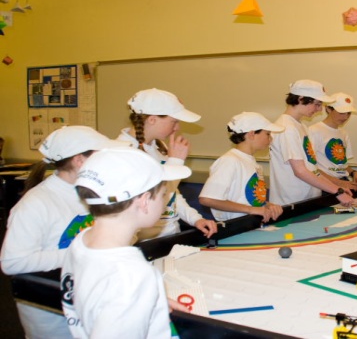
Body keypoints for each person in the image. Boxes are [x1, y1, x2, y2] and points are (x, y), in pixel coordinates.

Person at [0, 125, 129, 339]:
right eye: (101, 156)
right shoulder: (36, 203)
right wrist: (84, 251)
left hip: (85, 298)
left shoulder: (92, 193)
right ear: (80, 160)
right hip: (51, 312)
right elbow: (12, 261)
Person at [60, 147, 191, 338]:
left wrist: (148, 302)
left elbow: (99, 296)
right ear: (144, 201)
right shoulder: (132, 277)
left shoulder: (84, 239)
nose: (164, 202)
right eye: (163, 195)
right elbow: (123, 287)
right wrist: (136, 295)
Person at [119, 88, 217, 241]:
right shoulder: (123, 152)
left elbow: (172, 194)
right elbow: (153, 195)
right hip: (144, 242)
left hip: (170, 235)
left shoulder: (159, 147)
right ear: (152, 119)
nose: (177, 128)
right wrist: (175, 163)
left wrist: (195, 219)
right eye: (174, 121)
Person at [269, 79, 357, 207]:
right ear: (301, 99)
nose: (319, 110)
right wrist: (337, 191)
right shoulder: (287, 128)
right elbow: (300, 171)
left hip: (308, 198)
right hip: (291, 202)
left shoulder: (302, 127)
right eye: (317, 104)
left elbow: (312, 169)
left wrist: (335, 187)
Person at [199, 112, 285, 223]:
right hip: (234, 227)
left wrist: (267, 205)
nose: (271, 139)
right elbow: (207, 199)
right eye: (267, 134)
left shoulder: (251, 162)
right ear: (252, 134)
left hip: (251, 224)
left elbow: (245, 198)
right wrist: (252, 210)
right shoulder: (230, 161)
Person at [308, 92, 357, 192]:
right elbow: (309, 167)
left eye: (349, 113)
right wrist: (339, 183)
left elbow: (341, 164)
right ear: (328, 109)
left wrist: (353, 172)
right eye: (341, 113)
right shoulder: (314, 131)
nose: (345, 117)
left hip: (342, 182)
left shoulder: (343, 133)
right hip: (324, 186)